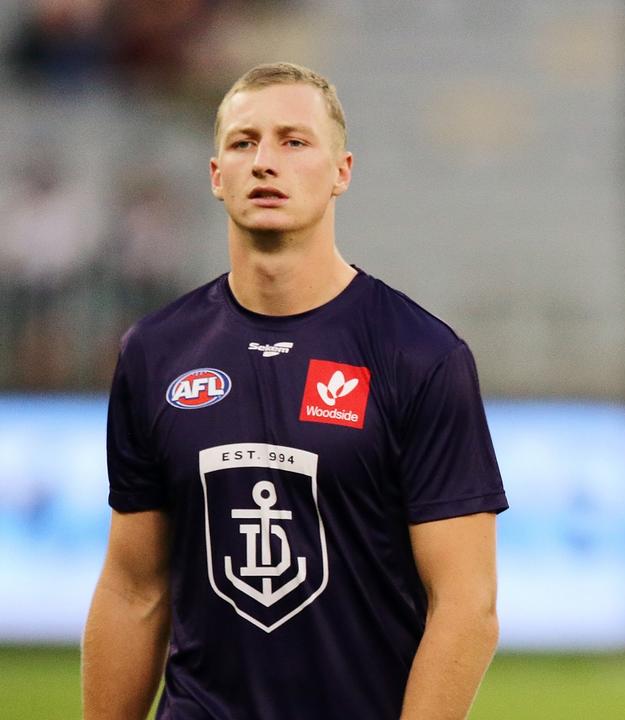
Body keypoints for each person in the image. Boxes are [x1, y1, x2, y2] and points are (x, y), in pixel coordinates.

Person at [82, 63, 508, 719]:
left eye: (293, 141)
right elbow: (133, 589)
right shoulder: (155, 353)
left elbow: (467, 606)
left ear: (342, 171)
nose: (264, 163)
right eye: (244, 143)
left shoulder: (420, 355)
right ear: (216, 174)